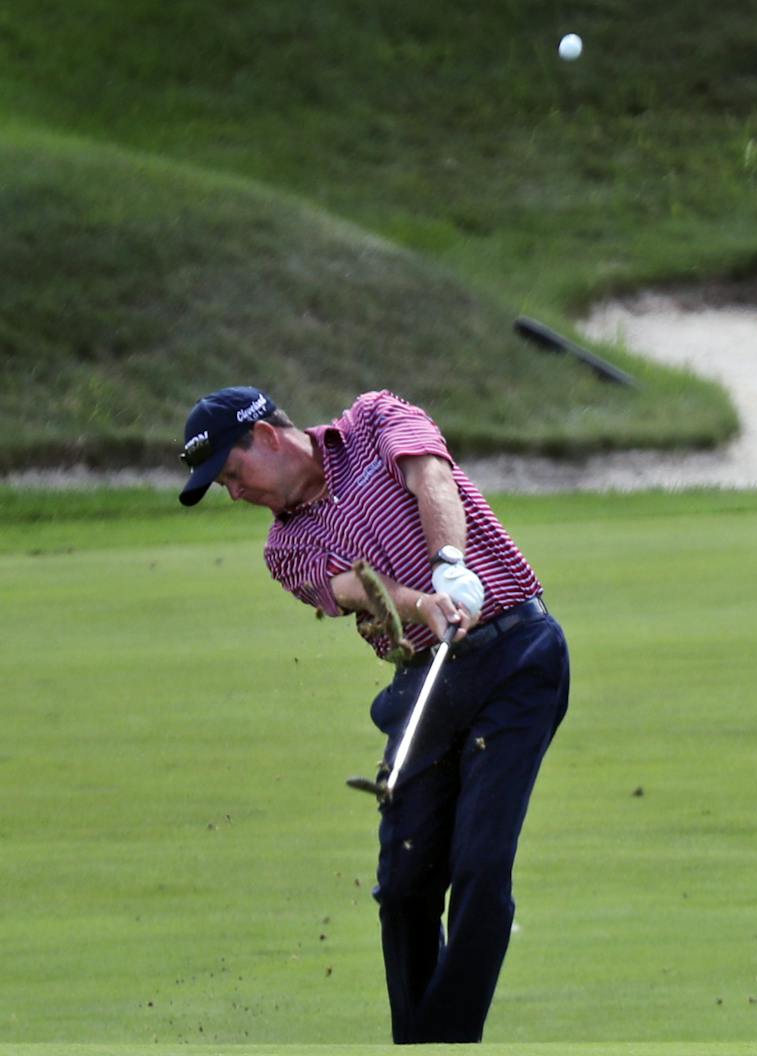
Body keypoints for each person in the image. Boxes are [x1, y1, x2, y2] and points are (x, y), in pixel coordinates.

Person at [177, 386, 570, 1044]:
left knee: (478, 865)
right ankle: (420, 1038)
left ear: (269, 439)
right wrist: (424, 605)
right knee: (404, 889)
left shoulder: (375, 418)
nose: (234, 495)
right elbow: (355, 586)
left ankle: (442, 1039)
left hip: (517, 659)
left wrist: (451, 567)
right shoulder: (285, 548)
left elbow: (431, 478)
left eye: (232, 475)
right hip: (427, 680)